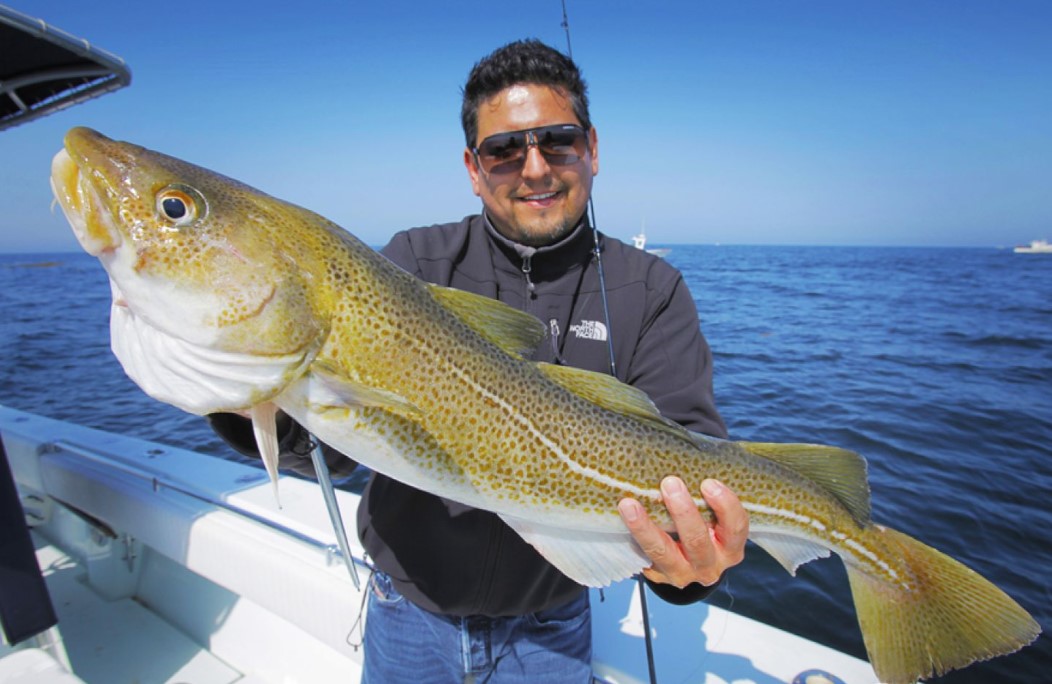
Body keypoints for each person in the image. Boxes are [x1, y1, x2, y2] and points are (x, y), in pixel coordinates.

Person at [209, 38, 748, 683]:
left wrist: (687, 571)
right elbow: (335, 447)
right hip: (409, 612)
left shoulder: (651, 289)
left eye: (558, 140)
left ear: (593, 148)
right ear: (473, 166)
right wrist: (246, 394)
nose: (536, 168)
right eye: (504, 150)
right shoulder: (411, 267)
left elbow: (693, 462)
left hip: (552, 629)